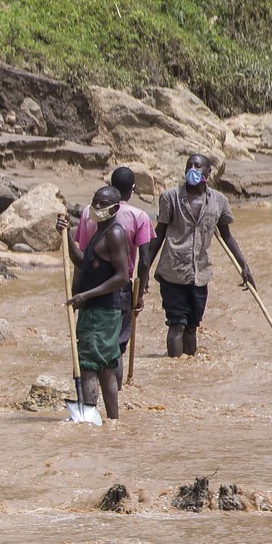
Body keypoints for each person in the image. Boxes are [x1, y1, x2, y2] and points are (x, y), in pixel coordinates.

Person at [140, 153, 254, 358]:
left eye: (197, 166)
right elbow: (159, 234)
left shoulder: (219, 201)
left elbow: (227, 236)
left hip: (200, 274)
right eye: (189, 165)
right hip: (172, 271)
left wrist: (244, 265)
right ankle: (174, 368)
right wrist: (145, 268)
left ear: (208, 173)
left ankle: (187, 371)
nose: (192, 169)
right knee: (176, 325)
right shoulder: (171, 197)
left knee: (192, 327)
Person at [73, 166, 155, 377]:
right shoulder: (140, 217)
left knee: (91, 342)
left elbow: (81, 255)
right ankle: (115, 392)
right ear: (133, 189)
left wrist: (77, 289)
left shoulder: (88, 212)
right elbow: (144, 260)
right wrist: (141, 290)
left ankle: (104, 394)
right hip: (120, 287)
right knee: (115, 347)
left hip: (91, 284)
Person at [58, 188, 133, 420]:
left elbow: (122, 276)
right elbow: (83, 264)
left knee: (89, 365)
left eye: (103, 204)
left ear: (115, 208)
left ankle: (89, 418)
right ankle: (113, 420)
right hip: (98, 311)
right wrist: (67, 236)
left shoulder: (115, 234)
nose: (97, 208)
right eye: (95, 203)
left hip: (100, 312)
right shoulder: (99, 232)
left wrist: (86, 295)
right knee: (106, 366)